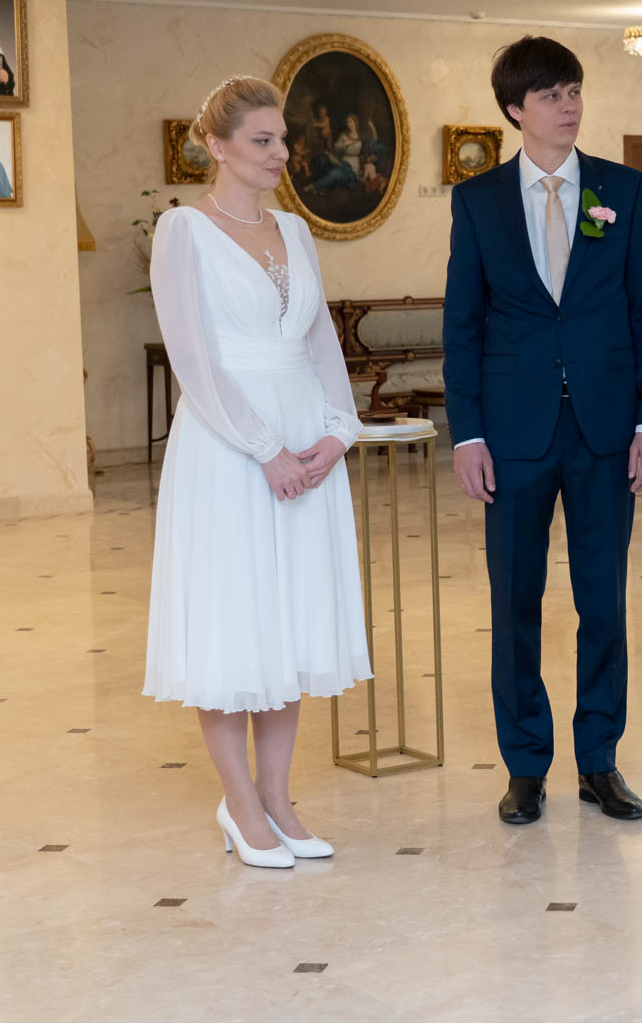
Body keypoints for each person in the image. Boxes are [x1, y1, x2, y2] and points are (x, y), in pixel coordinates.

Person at [443, 36, 642, 826]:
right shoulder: (477, 202)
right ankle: (525, 765)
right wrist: (467, 435)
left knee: (602, 599)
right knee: (516, 602)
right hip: (512, 434)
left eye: (574, 91)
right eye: (551, 95)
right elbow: (462, 325)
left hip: (606, 428)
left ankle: (600, 760)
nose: (569, 105)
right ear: (516, 110)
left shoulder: (620, 189)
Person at [145, 75, 370, 869]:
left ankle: (279, 798)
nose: (281, 153)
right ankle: (241, 805)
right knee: (234, 624)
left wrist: (338, 433)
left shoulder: (296, 232)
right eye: (263, 140)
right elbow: (195, 361)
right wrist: (263, 448)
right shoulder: (183, 230)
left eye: (283, 139)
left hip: (306, 444)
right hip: (228, 450)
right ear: (216, 145)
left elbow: (320, 345)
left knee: (290, 622)